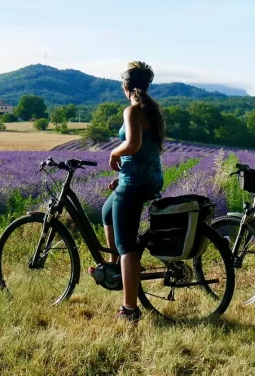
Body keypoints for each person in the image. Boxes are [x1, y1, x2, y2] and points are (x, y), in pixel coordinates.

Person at [102, 61, 165, 322]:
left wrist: (114, 152)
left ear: (125, 86)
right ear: (147, 86)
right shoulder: (152, 110)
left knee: (126, 246)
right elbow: (149, 149)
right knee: (107, 214)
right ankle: (117, 270)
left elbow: (133, 144)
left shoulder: (133, 110)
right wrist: (122, 175)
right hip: (150, 179)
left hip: (135, 183)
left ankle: (129, 309)